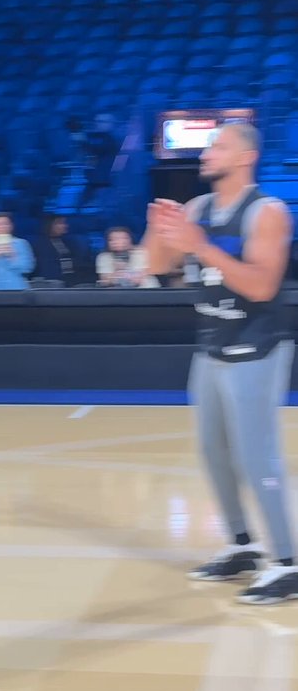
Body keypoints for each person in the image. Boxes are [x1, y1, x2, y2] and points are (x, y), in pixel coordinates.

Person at [144, 122, 298, 605]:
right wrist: (159, 228)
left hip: (256, 347)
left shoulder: (267, 212)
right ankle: (242, 546)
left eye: (219, 145)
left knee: (257, 457)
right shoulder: (197, 209)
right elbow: (156, 267)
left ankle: (288, 564)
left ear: (246, 157)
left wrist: (199, 244)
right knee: (213, 453)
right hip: (211, 346)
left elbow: (260, 287)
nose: (209, 152)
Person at [33, 215, 91, 287]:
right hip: (52, 283)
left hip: (71, 280)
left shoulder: (69, 242)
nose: (65, 226)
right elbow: (45, 267)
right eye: (61, 223)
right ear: (50, 225)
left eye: (65, 223)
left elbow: (77, 262)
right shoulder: (40, 244)